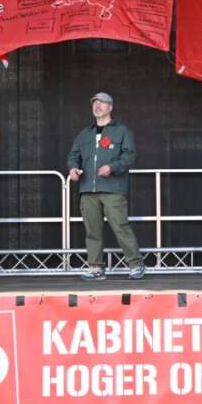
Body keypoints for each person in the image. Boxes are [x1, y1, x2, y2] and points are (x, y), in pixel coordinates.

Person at [66, 92, 145, 280]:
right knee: (92, 230)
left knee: (120, 226)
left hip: (113, 189)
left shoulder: (122, 131)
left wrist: (112, 167)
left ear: (111, 107)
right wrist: (73, 169)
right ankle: (95, 268)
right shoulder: (85, 133)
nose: (97, 106)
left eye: (102, 102)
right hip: (88, 189)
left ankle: (136, 265)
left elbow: (129, 156)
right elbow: (73, 156)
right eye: (95, 103)